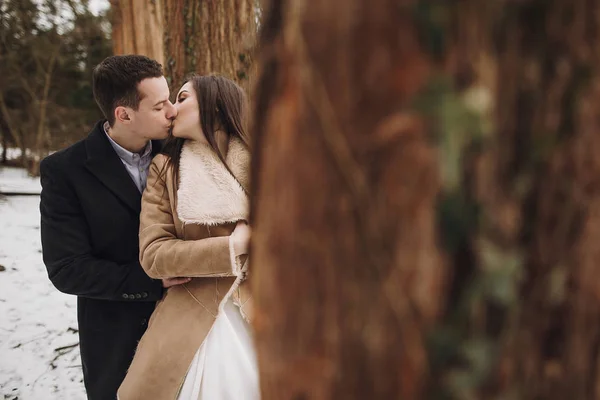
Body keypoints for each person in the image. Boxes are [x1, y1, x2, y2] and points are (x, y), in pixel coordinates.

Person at [40, 55, 188, 400]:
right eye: (158, 106)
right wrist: (151, 279)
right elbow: (67, 269)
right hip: (117, 337)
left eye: (170, 99)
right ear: (123, 114)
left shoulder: (183, 152)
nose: (171, 111)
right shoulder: (65, 171)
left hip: (188, 324)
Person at [118, 75, 258, 400]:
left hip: (264, 315)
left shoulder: (268, 164)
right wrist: (232, 247)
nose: (171, 110)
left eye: (181, 98)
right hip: (193, 323)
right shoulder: (165, 170)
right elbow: (155, 256)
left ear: (216, 105)